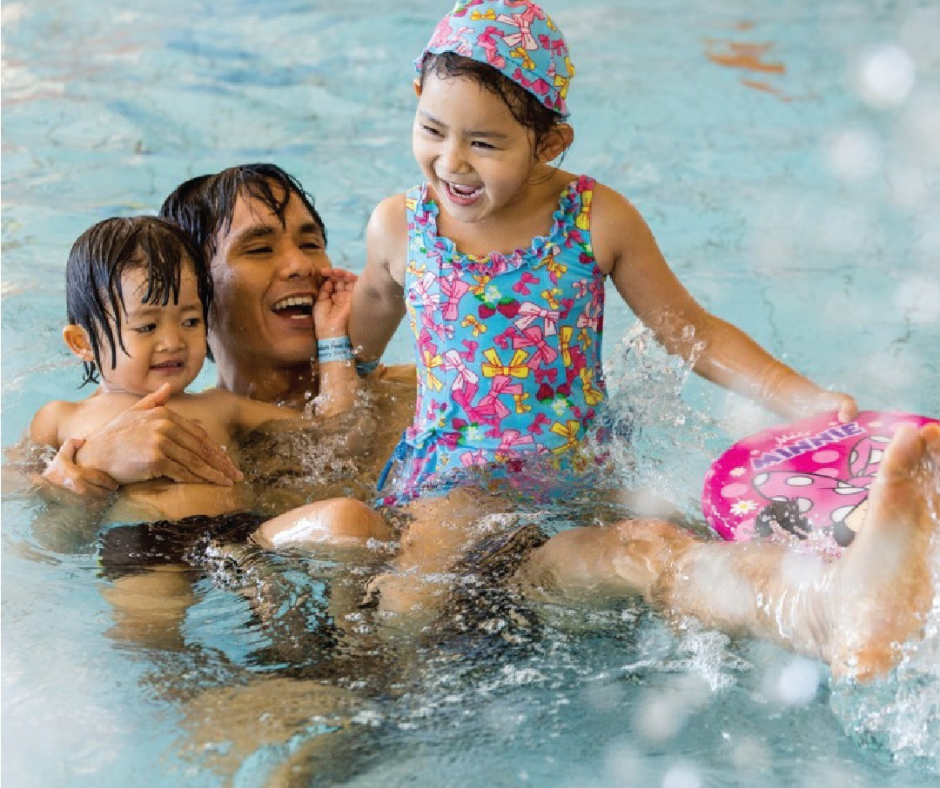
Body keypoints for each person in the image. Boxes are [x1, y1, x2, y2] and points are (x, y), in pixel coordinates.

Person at [337, 0, 938, 680]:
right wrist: (325, 383)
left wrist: (802, 401)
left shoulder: (595, 220)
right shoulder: (399, 227)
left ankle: (841, 601)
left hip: (576, 476)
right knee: (408, 608)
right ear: (416, 101)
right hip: (451, 484)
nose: (452, 163)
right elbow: (357, 344)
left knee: (673, 553)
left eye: (485, 143)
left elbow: (694, 331)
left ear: (550, 143)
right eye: (432, 130)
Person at [30, 214, 385, 541]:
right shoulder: (62, 417)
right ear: (83, 342)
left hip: (237, 539)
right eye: (147, 326)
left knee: (347, 519)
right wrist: (63, 477)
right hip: (140, 543)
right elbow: (15, 486)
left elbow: (334, 432)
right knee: (151, 606)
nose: (173, 342)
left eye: (190, 322)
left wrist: (334, 339)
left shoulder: (220, 407)